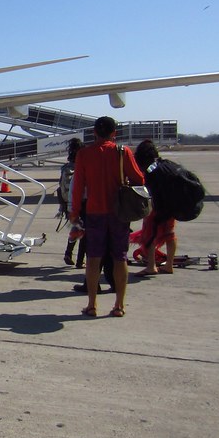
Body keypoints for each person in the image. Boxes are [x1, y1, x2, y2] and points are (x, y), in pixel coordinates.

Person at [69, 116, 145, 317]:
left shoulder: (84, 154)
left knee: (93, 258)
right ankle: (119, 305)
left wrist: (74, 213)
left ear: (94, 132)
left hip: (94, 212)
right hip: (119, 213)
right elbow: (139, 179)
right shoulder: (122, 152)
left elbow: (78, 187)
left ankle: (92, 305)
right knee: (120, 257)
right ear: (114, 134)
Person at [133, 139, 177, 275]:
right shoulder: (164, 164)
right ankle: (169, 264)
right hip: (170, 205)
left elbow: (147, 186)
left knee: (149, 236)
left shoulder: (150, 168)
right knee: (170, 235)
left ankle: (151, 266)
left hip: (156, 206)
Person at [59, 138, 84, 266]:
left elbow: (61, 187)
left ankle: (68, 253)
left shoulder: (65, 168)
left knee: (76, 227)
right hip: (81, 202)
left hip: (67, 203)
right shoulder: (82, 166)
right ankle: (80, 260)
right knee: (83, 230)